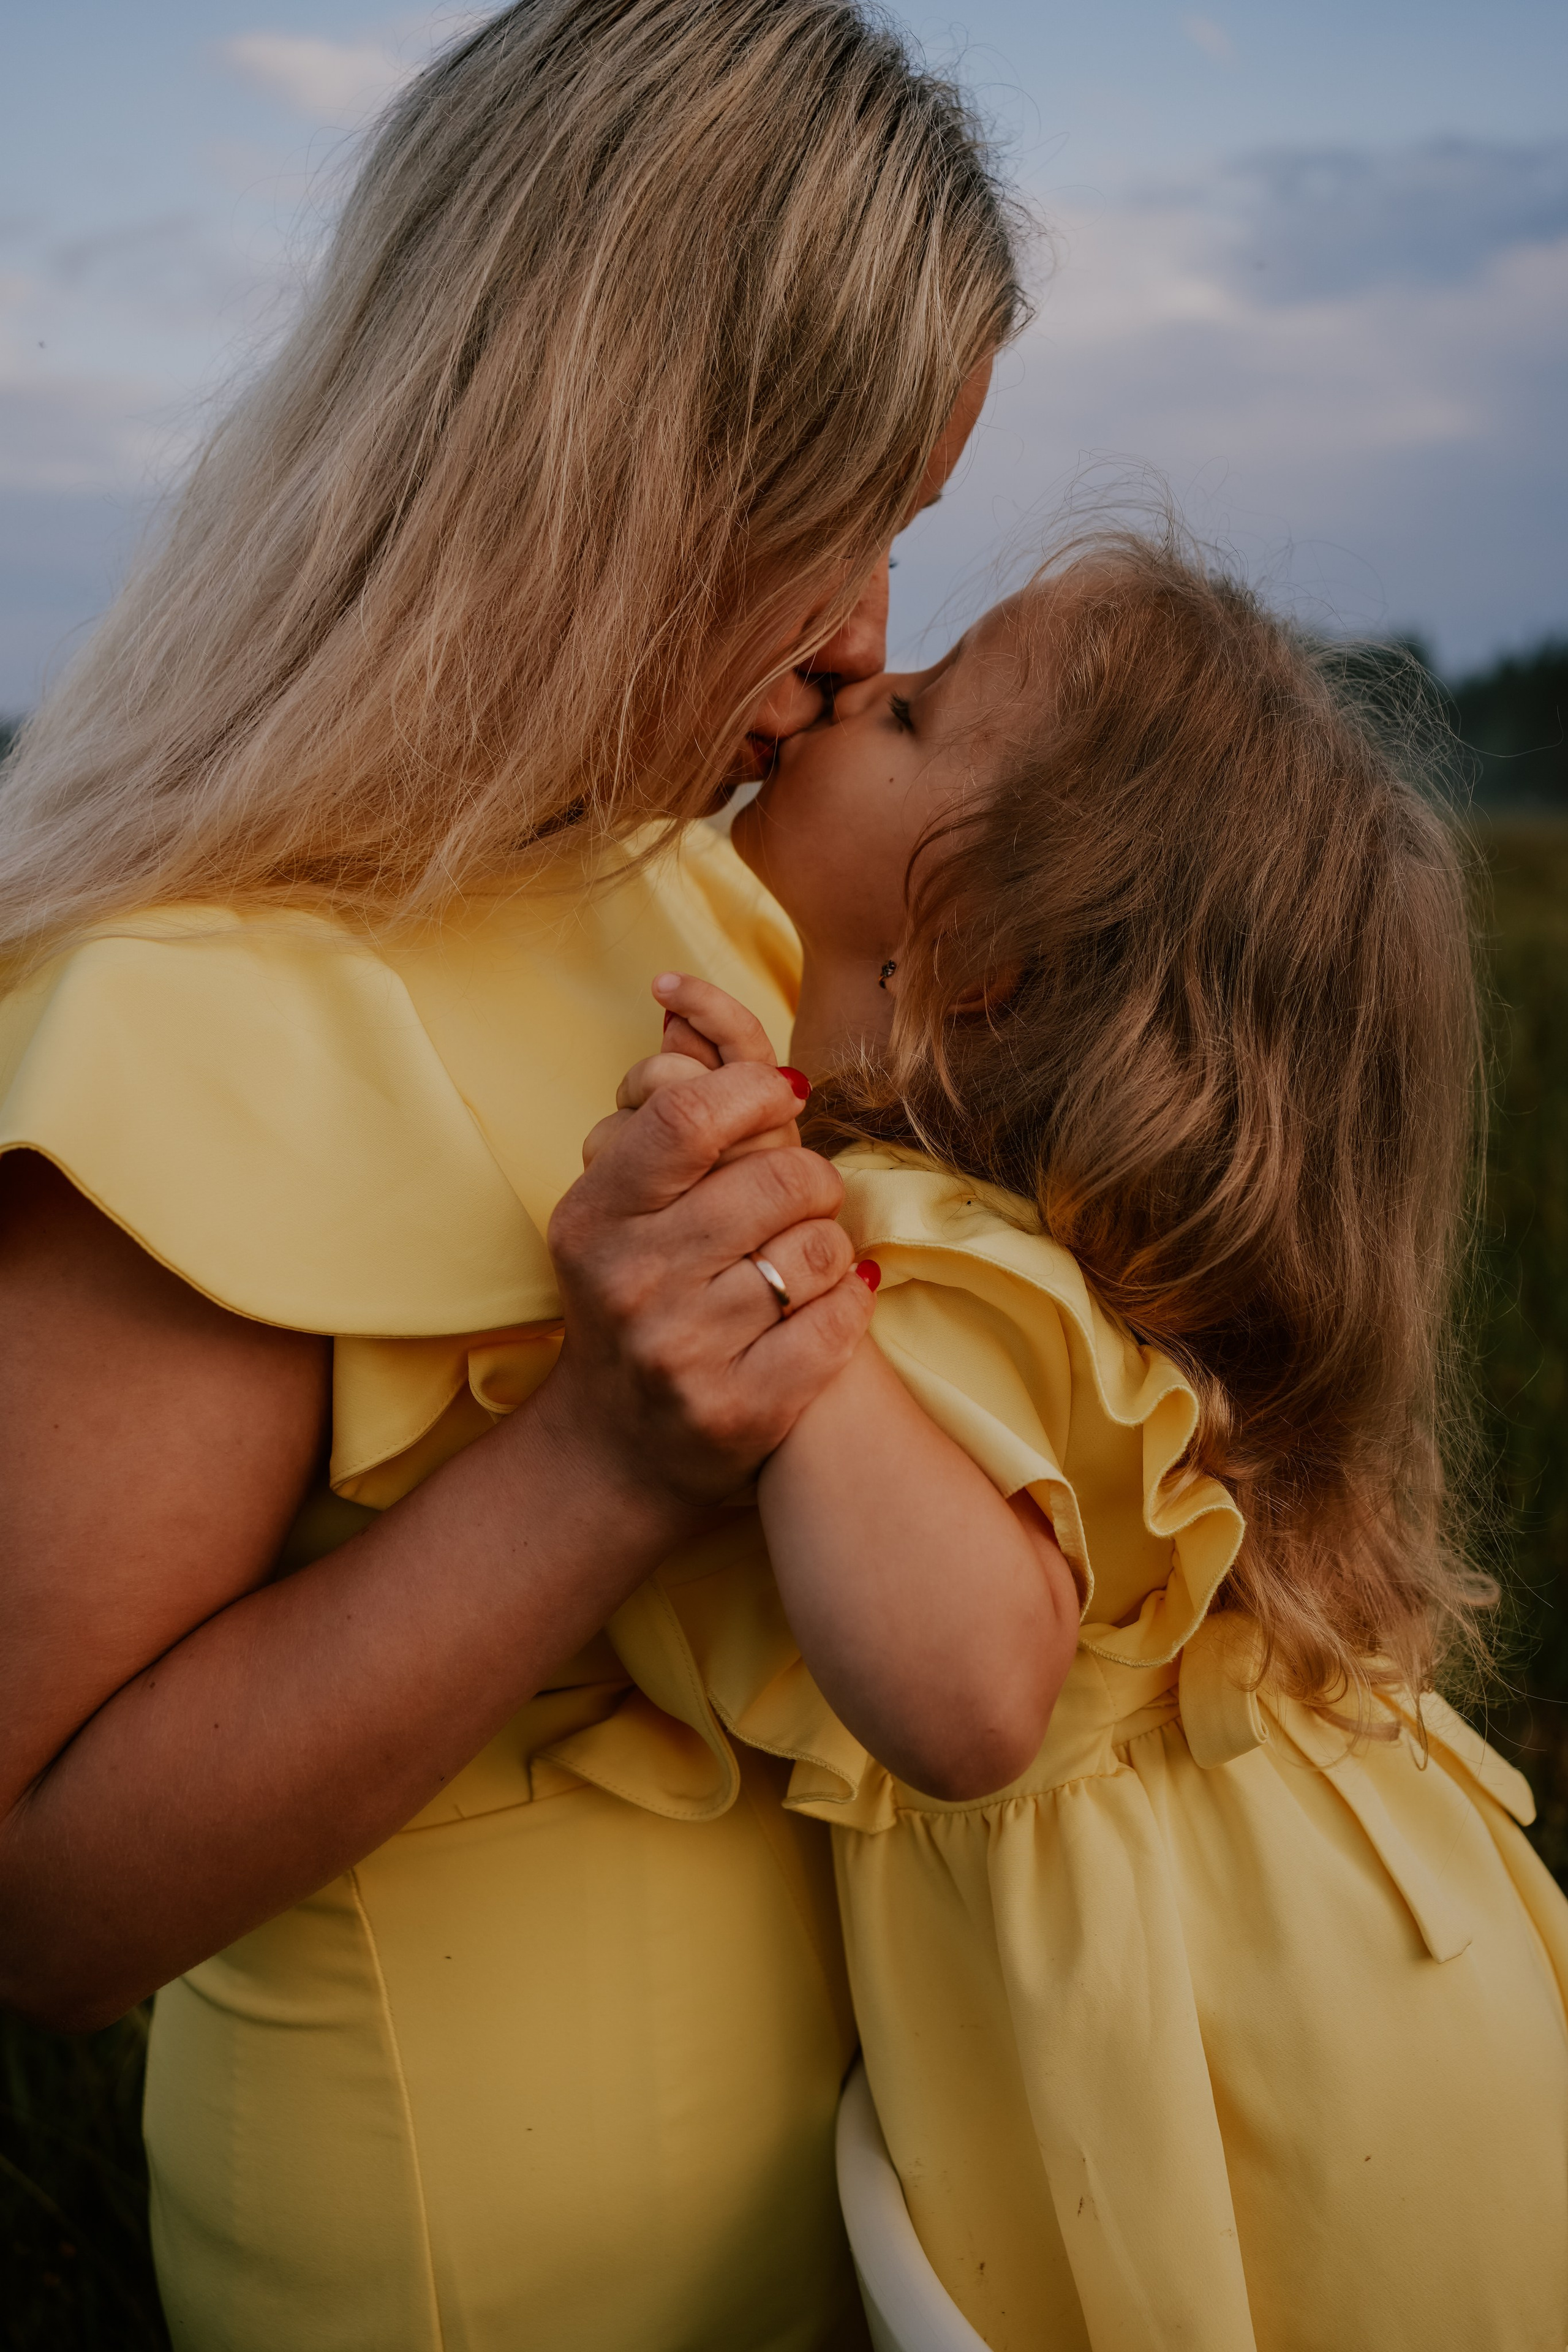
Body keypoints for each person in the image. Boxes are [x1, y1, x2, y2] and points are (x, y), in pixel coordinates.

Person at [0, 5, 1023, 2345]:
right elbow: (44, 1909)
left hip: (837, 2248)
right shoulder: (195, 1003)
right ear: (597, 456)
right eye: (825, 516)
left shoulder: (693, 901)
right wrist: (601, 1457)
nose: (866, 634)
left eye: (909, 534)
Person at [611, 533, 1568, 2350]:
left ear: (979, 955)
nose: (829, 701)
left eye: (905, 714)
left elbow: (971, 1686)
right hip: (1385, 1952)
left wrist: (769, 1255)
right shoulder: (1073, 1272)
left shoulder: (928, 1267)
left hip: (1238, 2066)